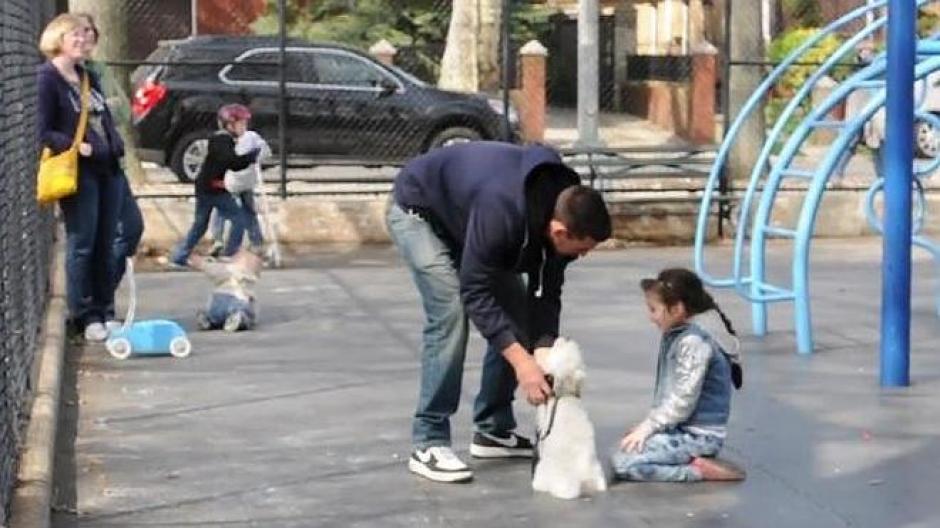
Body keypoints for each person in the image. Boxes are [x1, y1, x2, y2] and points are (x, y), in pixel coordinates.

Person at [386, 141, 612, 483]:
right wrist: (523, 365)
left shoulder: (564, 206)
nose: (581, 256)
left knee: (518, 315)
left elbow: (547, 293)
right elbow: (476, 291)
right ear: (559, 231)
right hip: (420, 211)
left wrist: (544, 348)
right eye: (580, 249)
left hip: (469, 219)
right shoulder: (503, 211)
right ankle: (429, 439)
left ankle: (492, 429)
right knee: (451, 313)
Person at [611, 268, 745, 482]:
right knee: (625, 447)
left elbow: (683, 399)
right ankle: (683, 458)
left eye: (654, 310)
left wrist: (650, 426)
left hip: (699, 437)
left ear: (677, 309)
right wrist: (649, 426)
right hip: (681, 429)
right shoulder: (679, 333)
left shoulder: (694, 343)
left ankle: (697, 471)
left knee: (625, 464)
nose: (650, 317)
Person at [38, 14, 125, 342]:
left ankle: (106, 308)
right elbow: (45, 131)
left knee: (106, 241)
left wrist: (113, 144)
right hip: (80, 172)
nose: (82, 40)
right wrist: (78, 147)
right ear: (58, 39)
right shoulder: (47, 79)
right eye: (75, 35)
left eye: (84, 35)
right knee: (82, 243)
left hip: (109, 168)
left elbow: (104, 117)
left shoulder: (87, 76)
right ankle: (83, 314)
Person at [74, 13, 145, 330]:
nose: (86, 37)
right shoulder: (66, 74)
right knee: (88, 240)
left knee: (129, 229)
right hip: (87, 165)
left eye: (89, 31)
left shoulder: (98, 70)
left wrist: (107, 106)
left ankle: (101, 294)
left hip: (112, 160)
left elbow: (123, 111)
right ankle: (90, 307)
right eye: (78, 31)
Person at [169, 104, 261, 268]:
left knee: (200, 225)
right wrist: (251, 156)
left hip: (209, 187)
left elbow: (232, 163)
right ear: (229, 124)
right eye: (241, 123)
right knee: (238, 219)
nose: (244, 127)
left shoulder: (223, 139)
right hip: (213, 189)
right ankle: (230, 254)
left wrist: (248, 157)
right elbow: (232, 162)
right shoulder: (222, 139)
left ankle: (179, 257)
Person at [208, 129, 269, 257]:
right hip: (241, 181)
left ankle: (219, 241)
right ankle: (255, 242)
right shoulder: (249, 137)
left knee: (223, 210)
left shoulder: (246, 137)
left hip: (234, 181)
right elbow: (264, 152)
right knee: (246, 212)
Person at [190, 249, 261, 332]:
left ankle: (209, 319)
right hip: (231, 305)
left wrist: (202, 264)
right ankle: (234, 319)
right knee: (245, 311)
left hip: (223, 302)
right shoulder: (248, 278)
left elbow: (214, 270)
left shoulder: (232, 271)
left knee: (238, 311)